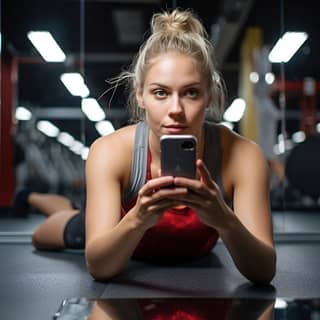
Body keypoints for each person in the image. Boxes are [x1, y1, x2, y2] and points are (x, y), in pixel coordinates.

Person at [24, 8, 275, 285]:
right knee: (47, 232)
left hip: (189, 249)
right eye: (161, 93)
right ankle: (33, 198)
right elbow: (100, 267)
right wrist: (138, 218)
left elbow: (264, 271)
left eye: (191, 92)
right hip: (119, 236)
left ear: (209, 96)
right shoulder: (110, 152)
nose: (176, 109)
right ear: (140, 96)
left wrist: (225, 220)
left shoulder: (244, 156)